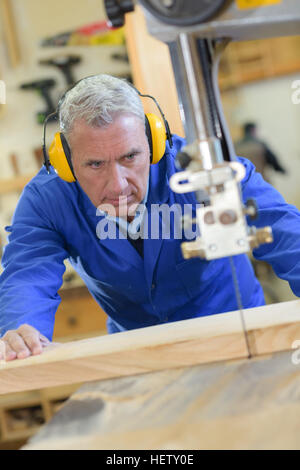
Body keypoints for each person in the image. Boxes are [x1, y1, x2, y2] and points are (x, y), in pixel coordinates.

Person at [1, 74, 300, 362]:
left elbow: (283, 229)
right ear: (66, 162)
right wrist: (22, 330)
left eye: (130, 157)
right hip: (138, 354)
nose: (117, 184)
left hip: (238, 334)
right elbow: (27, 273)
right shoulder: (47, 199)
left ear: (153, 142)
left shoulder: (202, 169)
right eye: (94, 164)